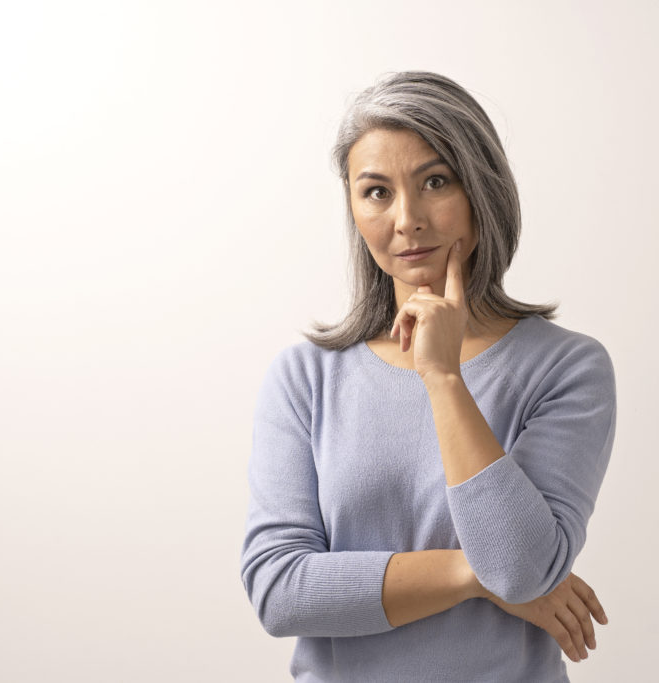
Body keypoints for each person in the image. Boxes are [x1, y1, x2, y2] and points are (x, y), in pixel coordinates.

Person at [240, 71, 617, 682]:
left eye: (435, 181)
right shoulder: (307, 377)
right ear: (353, 209)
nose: (407, 218)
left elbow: (521, 568)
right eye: (377, 192)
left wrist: (443, 377)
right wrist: (474, 578)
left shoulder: (566, 369)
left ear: (480, 190)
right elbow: (280, 590)